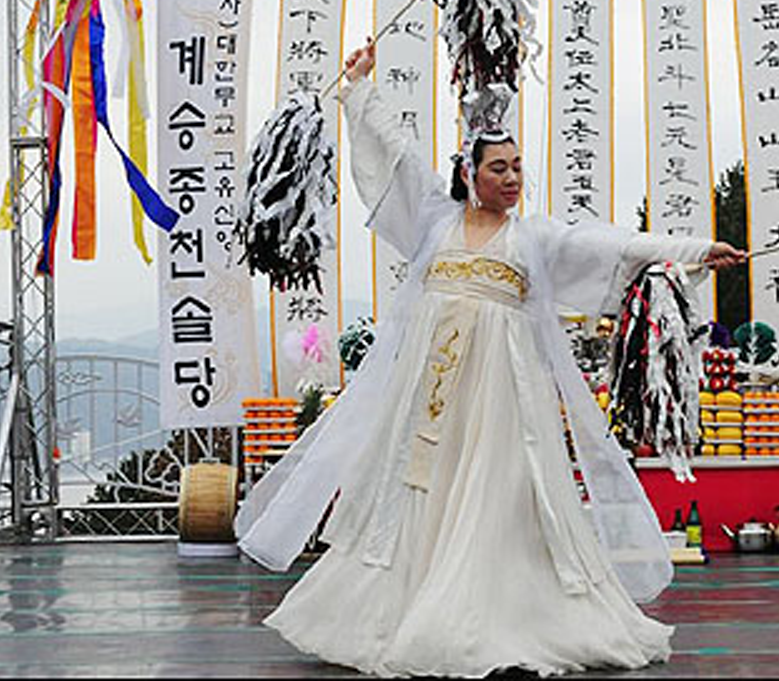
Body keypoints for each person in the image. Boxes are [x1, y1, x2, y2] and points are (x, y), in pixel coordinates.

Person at [236, 42, 745, 676]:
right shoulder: (434, 221)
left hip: (501, 394)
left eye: (517, 167)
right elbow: (394, 154)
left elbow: (612, 246)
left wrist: (695, 250)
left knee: (496, 489)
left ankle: (497, 610)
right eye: (498, 167)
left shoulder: (534, 237)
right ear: (469, 175)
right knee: (414, 486)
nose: (511, 178)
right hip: (429, 391)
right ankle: (401, 603)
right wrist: (359, 88)